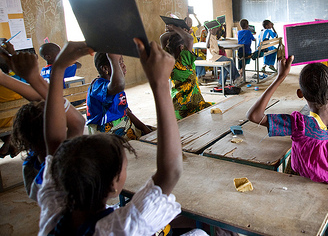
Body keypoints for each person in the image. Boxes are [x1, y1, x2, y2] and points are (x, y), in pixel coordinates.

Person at [38, 40, 207, 236]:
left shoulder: (54, 214)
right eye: (125, 167)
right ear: (114, 185)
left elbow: (54, 143)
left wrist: (57, 68)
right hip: (110, 129)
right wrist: (160, 84)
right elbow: (170, 171)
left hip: (122, 126)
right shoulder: (121, 228)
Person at [246, 54, 328, 212]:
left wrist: (280, 77)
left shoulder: (300, 126)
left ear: (300, 94)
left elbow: (254, 116)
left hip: (306, 195)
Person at [5, 50, 85, 201]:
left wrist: (5, 77)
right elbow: (78, 122)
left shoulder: (31, 163)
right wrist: (54, 70)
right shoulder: (57, 167)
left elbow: (42, 99)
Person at [86, 52, 151, 140]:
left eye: (122, 61)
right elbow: (118, 84)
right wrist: (114, 60)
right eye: (118, 62)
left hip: (125, 127)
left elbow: (125, 110)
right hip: (107, 136)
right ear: (105, 69)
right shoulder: (98, 86)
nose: (124, 65)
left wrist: (144, 128)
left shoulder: (114, 86)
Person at [160, 24, 213, 120]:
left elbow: (162, 38)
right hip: (192, 104)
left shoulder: (167, 57)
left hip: (176, 104)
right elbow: (190, 39)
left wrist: (173, 31)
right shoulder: (184, 59)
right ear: (181, 47)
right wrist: (176, 28)